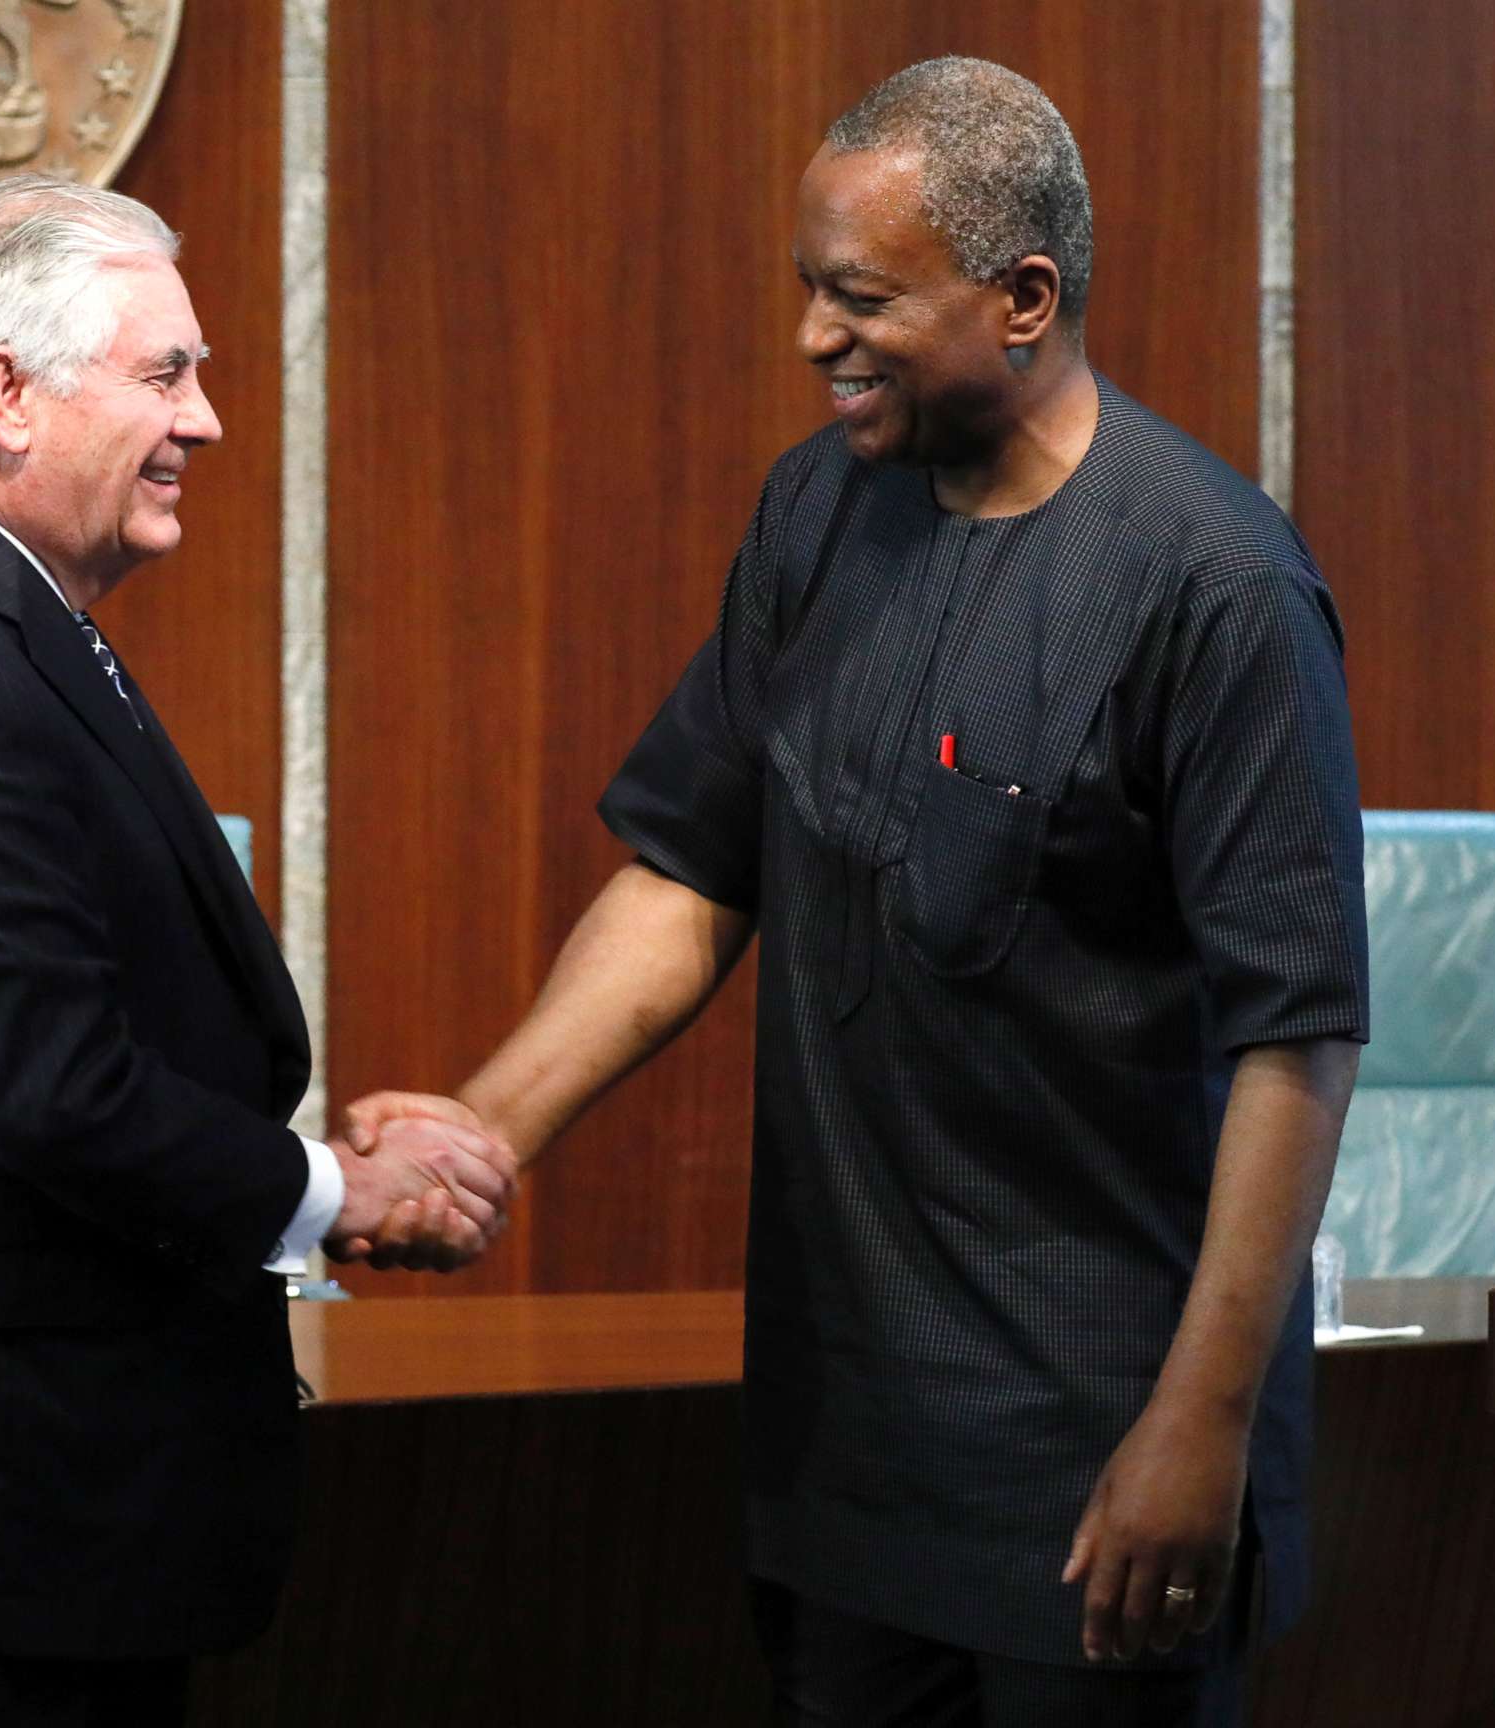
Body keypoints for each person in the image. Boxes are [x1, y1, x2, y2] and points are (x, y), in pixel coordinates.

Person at [347, 59, 1367, 1727]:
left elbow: (1298, 1040)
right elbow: (691, 871)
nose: (815, 336)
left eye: (861, 297)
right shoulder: (816, 512)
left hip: (1097, 1461)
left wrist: (1206, 1426)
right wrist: (483, 1131)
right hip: (849, 1458)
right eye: (808, 290)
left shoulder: (1218, 587)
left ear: (1023, 297)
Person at [0, 174, 515, 1727]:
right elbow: (47, 1085)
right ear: (6, 395)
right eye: (167, 374)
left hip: (37, 1541)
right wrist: (337, 1192)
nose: (206, 421)